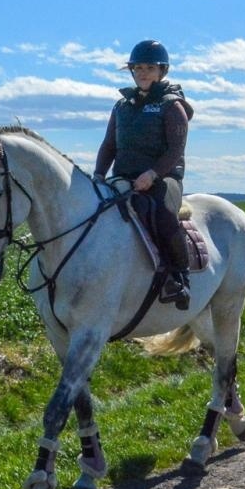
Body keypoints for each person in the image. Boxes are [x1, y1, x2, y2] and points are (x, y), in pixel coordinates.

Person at [94, 40, 194, 301]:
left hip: (164, 178)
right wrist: (98, 175)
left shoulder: (172, 105)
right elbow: (109, 145)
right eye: (138, 67)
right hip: (124, 177)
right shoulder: (121, 106)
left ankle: (178, 277)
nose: (143, 72)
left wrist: (152, 174)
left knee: (159, 211)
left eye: (150, 67)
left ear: (163, 71)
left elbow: (175, 150)